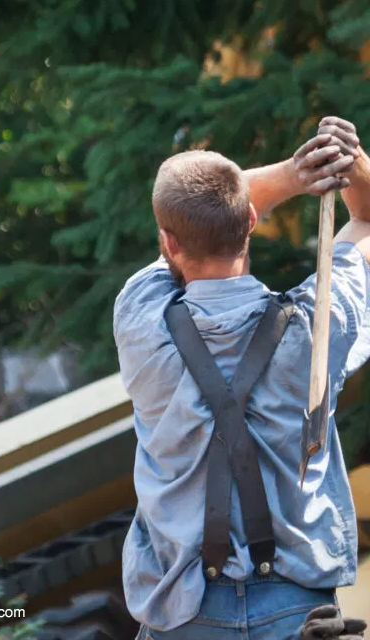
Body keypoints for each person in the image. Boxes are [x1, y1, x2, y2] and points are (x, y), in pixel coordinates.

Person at [113, 115, 370, 640]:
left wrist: (294, 174)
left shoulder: (138, 320)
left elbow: (197, 214)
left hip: (182, 613)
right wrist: (349, 165)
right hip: (297, 611)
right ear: (252, 220)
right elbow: (367, 220)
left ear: (166, 242)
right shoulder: (320, 321)